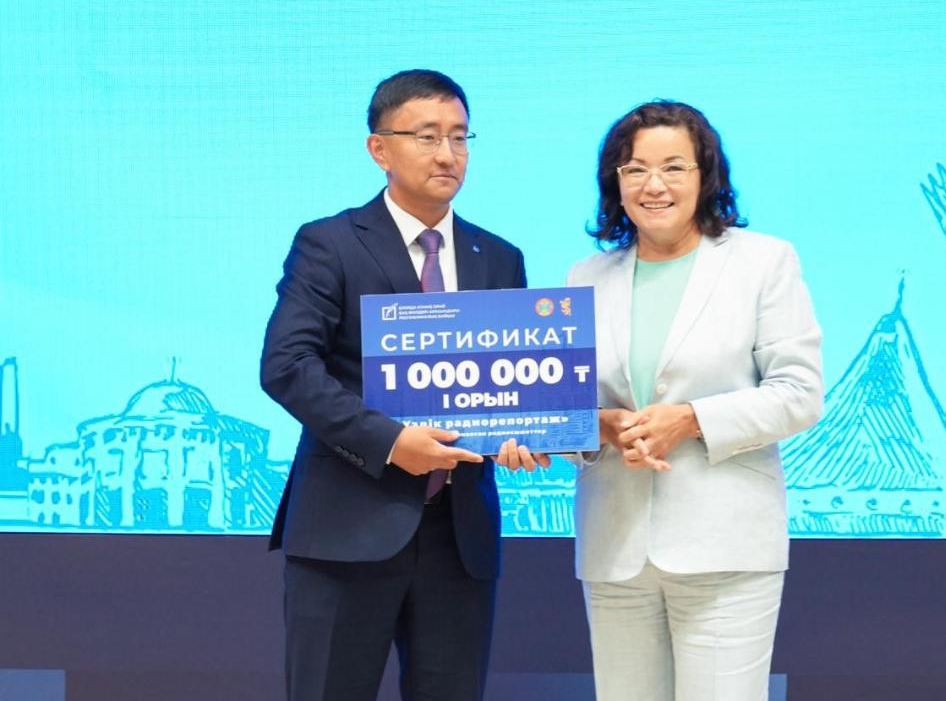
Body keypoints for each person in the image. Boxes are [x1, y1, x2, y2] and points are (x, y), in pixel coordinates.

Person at [260, 69, 535, 701]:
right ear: (379, 148)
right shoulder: (330, 243)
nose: (447, 154)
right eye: (427, 136)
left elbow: (509, 387)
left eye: (460, 137)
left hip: (459, 538)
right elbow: (287, 366)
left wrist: (525, 433)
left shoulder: (500, 257)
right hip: (346, 528)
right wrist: (390, 442)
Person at [565, 101, 822, 700]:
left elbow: (800, 393)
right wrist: (601, 427)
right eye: (635, 169)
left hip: (726, 547)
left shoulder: (763, 262)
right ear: (615, 183)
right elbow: (568, 409)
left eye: (674, 167)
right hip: (615, 548)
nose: (653, 185)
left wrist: (690, 420)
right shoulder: (586, 276)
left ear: (706, 176)